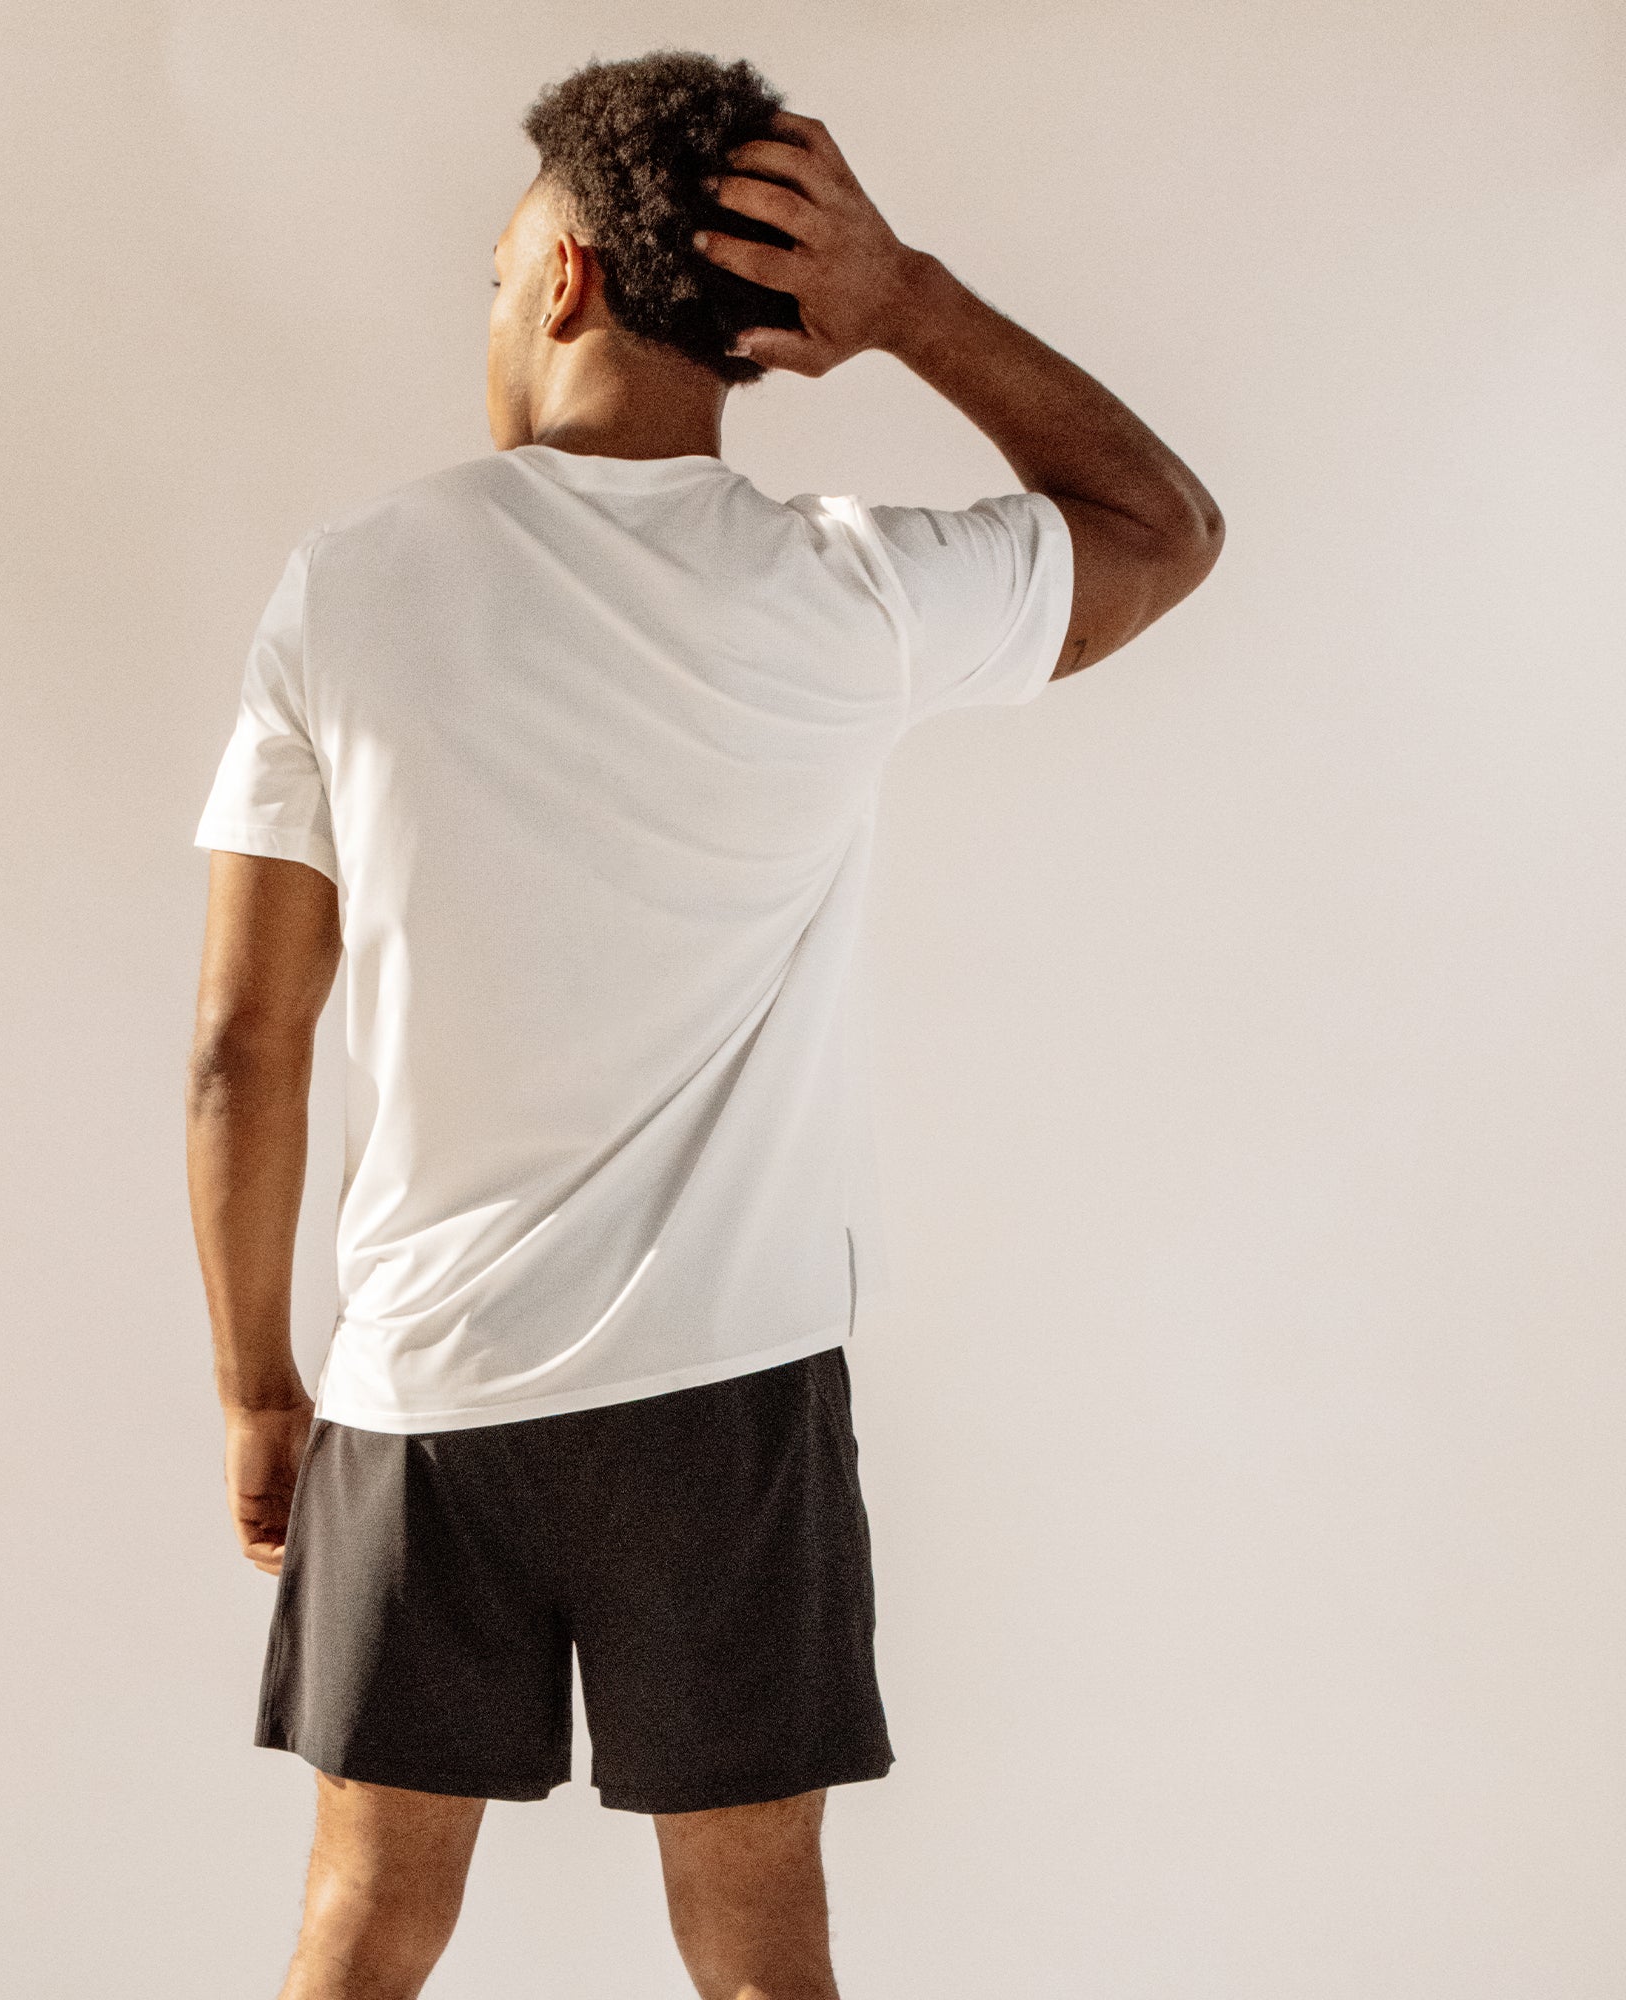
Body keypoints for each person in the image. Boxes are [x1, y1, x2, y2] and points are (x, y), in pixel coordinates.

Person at [184, 48, 1222, 2000]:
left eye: (497, 271)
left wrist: (258, 1389)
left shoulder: (354, 587)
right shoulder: (846, 591)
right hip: (726, 1391)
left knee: (366, 1919)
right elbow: (1161, 529)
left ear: (564, 277)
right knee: (753, 1938)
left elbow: (245, 1042)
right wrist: (909, 302)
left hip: (426, 1391)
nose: (492, 307)